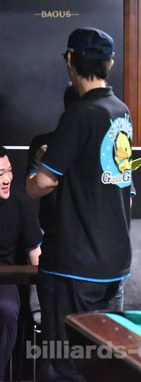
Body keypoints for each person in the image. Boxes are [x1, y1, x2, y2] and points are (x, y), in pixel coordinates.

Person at [26, 27, 132, 380]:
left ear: (70, 60)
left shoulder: (80, 113)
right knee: (100, 361)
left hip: (75, 264)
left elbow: (42, 184)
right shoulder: (121, 112)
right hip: (114, 262)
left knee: (65, 364)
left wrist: (40, 164)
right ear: (110, 64)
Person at [0, 146, 42, 381]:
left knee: (6, 310)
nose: (7, 179)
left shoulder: (19, 201)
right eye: (0, 174)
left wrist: (48, 294)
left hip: (5, 280)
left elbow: (35, 251)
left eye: (9, 171)